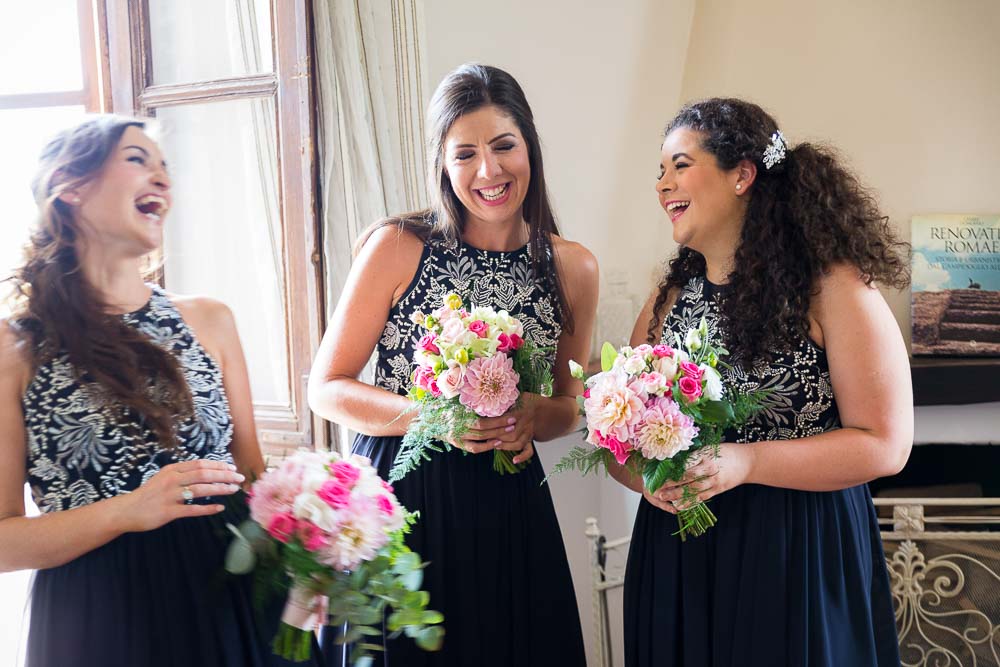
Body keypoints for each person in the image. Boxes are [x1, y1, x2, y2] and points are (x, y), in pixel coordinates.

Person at [0, 116, 318, 667]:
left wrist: (310, 562)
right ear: (70, 187)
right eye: (136, 159)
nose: (163, 179)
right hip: (102, 623)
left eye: (164, 166)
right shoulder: (15, 350)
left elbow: (253, 478)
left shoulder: (211, 321)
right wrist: (129, 510)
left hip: (236, 607)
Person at [308, 63, 596, 667]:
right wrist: (431, 416)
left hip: (507, 508)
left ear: (530, 147)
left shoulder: (572, 268)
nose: (488, 171)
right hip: (399, 498)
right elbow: (326, 389)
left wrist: (533, 416)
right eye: (464, 154)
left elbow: (570, 407)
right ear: (443, 164)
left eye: (503, 146)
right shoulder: (397, 247)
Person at [617, 98, 911, 666]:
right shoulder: (668, 297)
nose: (663, 185)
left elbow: (886, 443)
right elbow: (617, 440)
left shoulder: (832, 287)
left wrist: (746, 462)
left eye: (680, 164)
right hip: (681, 556)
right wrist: (648, 480)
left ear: (742, 175)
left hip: (796, 554)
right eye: (659, 170)